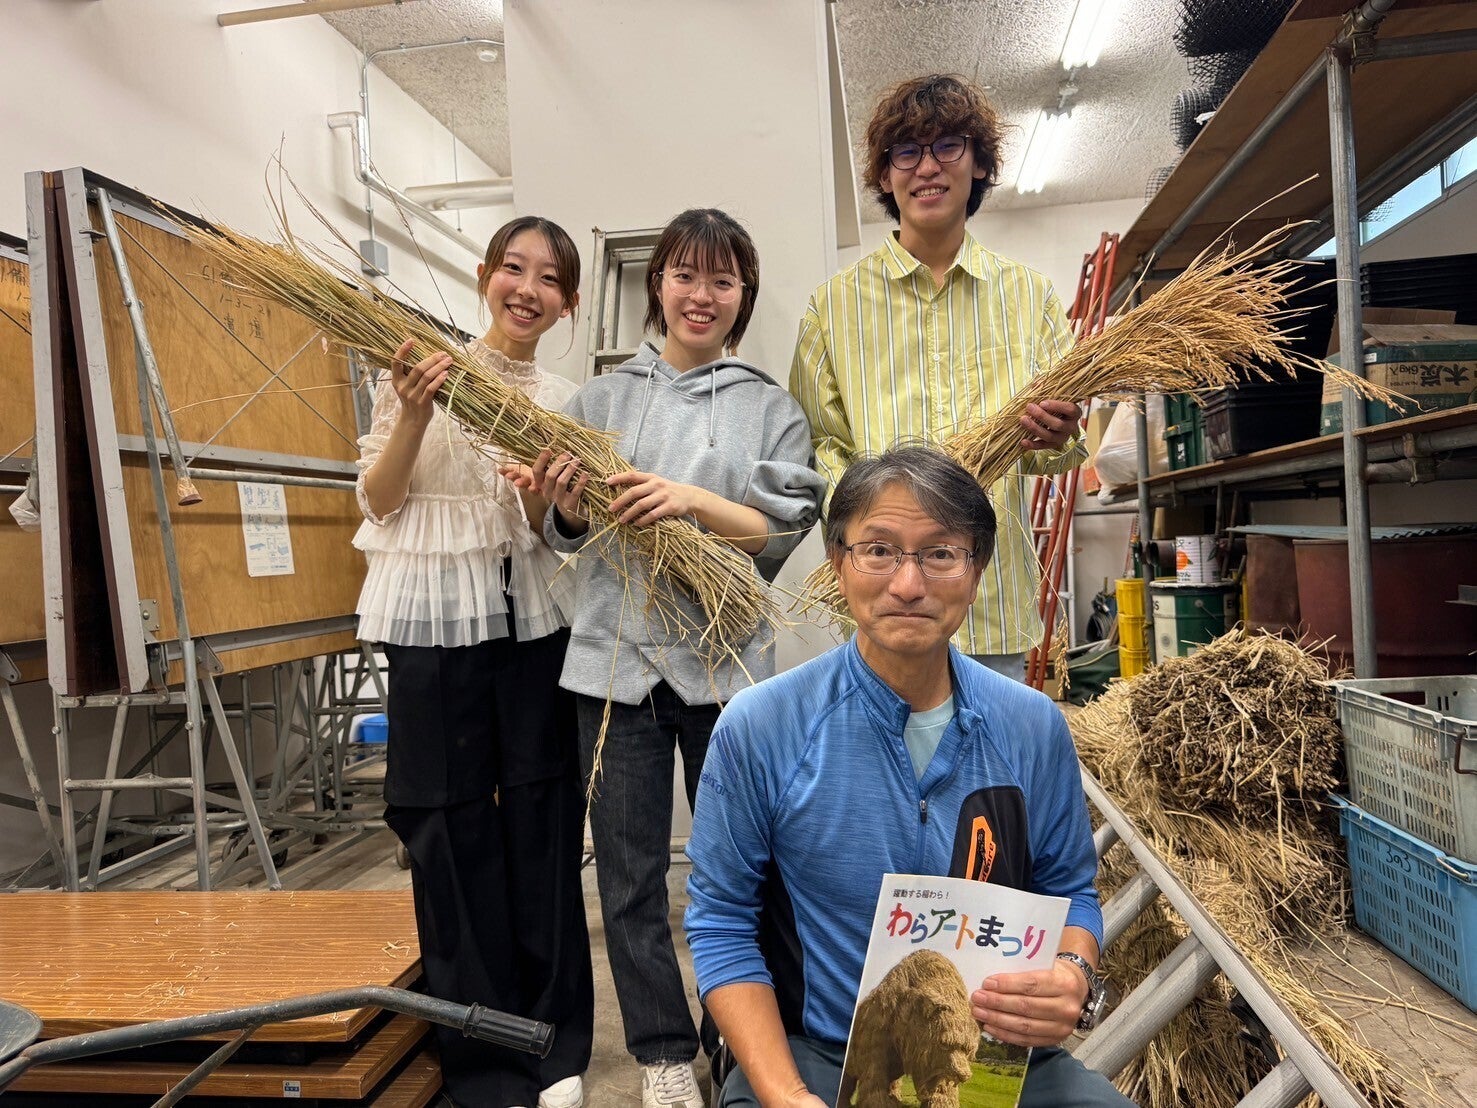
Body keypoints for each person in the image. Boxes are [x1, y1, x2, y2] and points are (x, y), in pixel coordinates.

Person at [684, 445, 1131, 1108]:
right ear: (837, 565)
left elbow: (1067, 890)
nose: (908, 584)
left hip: (986, 1055)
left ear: (977, 571)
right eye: (879, 550)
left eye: (941, 553)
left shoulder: (1032, 726)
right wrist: (786, 1094)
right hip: (821, 1055)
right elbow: (721, 920)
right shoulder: (762, 726)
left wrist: (1071, 973)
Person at [515, 208, 824, 1108]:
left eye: (722, 281)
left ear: (742, 296)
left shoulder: (770, 407)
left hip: (726, 671)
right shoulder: (599, 401)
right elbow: (561, 535)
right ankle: (659, 1052)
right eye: (685, 275)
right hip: (613, 668)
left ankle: (743, 1044)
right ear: (657, 285)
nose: (701, 295)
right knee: (628, 876)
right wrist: (567, 506)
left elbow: (776, 533)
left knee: (749, 869)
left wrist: (688, 500)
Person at [353, 217, 593, 1108]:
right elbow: (380, 502)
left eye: (549, 279)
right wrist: (414, 415)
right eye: (514, 269)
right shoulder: (420, 372)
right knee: (445, 823)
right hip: (429, 619)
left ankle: (556, 1046)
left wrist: (544, 499)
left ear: (568, 303)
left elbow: (549, 534)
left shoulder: (564, 401)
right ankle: (483, 1058)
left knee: (542, 813)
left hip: (531, 620)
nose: (527, 289)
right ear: (486, 274)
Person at [791, 74, 1085, 682]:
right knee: (880, 746)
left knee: (987, 748)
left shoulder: (1029, 297)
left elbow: (1058, 452)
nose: (927, 167)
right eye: (906, 151)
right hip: (882, 602)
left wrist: (1057, 436)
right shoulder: (833, 307)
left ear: (979, 164)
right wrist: (883, 520)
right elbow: (818, 447)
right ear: (884, 174)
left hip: (991, 601)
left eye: (948, 146)